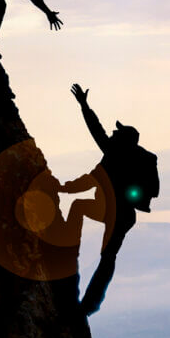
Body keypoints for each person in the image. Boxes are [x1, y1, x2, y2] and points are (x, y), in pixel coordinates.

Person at [61, 83, 159, 314]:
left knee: (107, 256)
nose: (112, 133)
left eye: (117, 132)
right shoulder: (119, 154)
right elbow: (89, 177)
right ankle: (87, 301)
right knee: (106, 253)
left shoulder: (118, 153)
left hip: (120, 214)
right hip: (115, 211)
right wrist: (64, 188)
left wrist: (84, 106)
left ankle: (88, 303)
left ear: (125, 140)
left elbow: (96, 130)